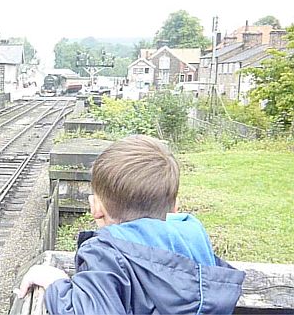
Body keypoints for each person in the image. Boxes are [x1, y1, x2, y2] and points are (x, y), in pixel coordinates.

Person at [15, 135, 245, 315]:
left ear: (95, 208)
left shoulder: (105, 256)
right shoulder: (195, 244)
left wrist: (55, 283)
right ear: (175, 207)